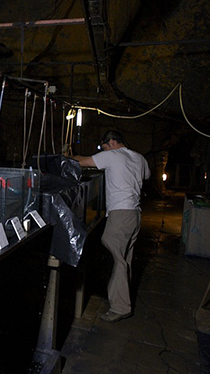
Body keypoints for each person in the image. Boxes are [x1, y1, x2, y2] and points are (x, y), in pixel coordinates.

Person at [74, 130, 151, 323]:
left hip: (121, 213)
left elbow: (82, 161)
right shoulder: (139, 158)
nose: (104, 151)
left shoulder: (112, 155)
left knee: (115, 256)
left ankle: (120, 307)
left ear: (112, 142)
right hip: (135, 214)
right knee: (124, 258)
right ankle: (122, 299)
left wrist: (68, 156)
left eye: (104, 147)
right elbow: (147, 175)